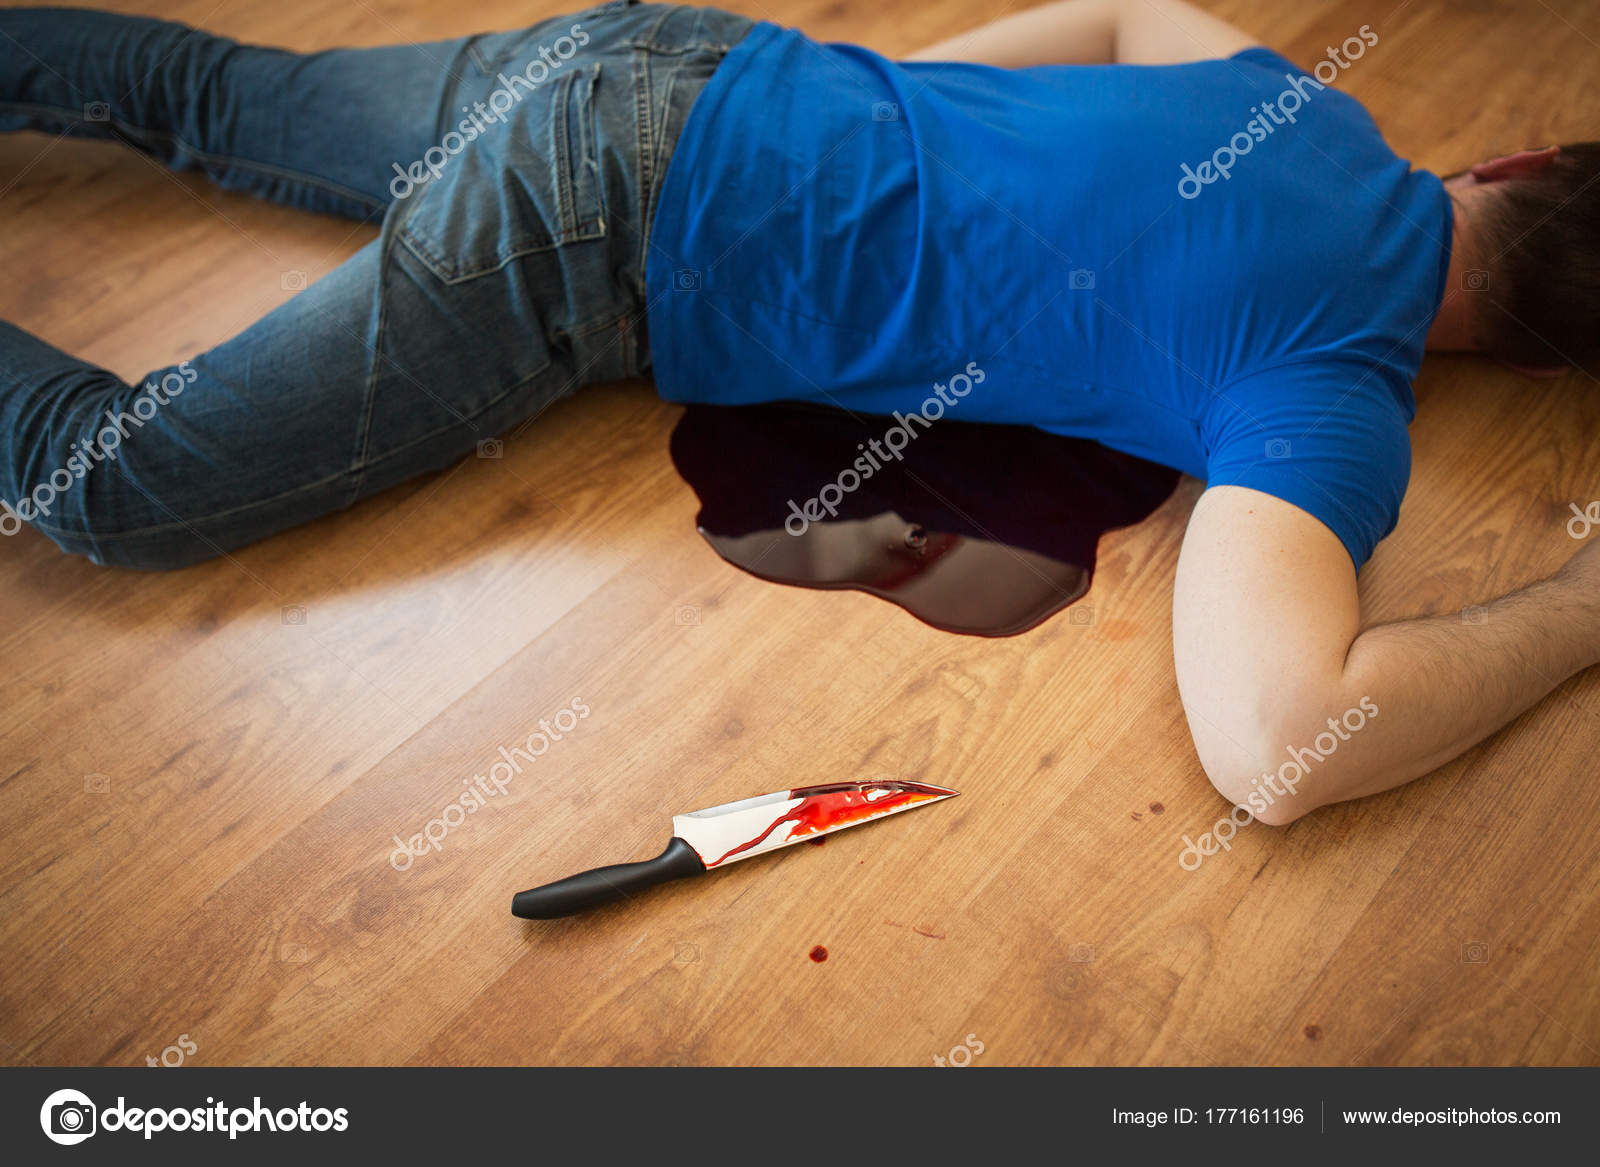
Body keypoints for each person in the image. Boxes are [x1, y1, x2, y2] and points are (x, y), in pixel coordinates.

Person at [1, 0, 1596, 824]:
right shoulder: (1330, 400)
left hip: (663, 61)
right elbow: (1280, 751)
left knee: (212, 99)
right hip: (598, 228)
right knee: (105, 492)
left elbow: (1121, 15)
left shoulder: (1297, 105)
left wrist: (896, 125)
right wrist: (1584, 604)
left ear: (1515, 165)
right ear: (1535, 370)